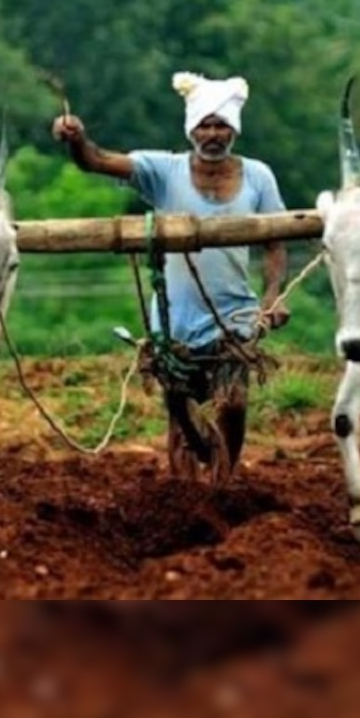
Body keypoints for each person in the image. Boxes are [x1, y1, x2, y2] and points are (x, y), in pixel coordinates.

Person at [51, 71, 290, 482]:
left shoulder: (258, 177)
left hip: (233, 318)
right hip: (173, 323)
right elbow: (98, 160)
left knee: (232, 404)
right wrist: (77, 141)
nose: (213, 134)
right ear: (191, 129)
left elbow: (277, 241)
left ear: (234, 130)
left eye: (221, 126)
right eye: (205, 125)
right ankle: (182, 496)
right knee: (180, 416)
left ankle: (224, 482)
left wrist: (272, 296)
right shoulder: (163, 170)